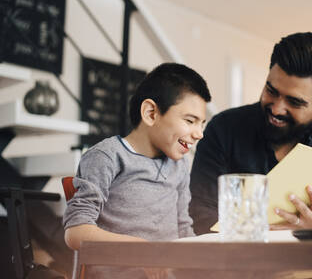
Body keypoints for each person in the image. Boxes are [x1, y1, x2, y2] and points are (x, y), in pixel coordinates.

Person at [190, 32, 312, 234]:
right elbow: (200, 210)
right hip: (236, 260)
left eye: (295, 102)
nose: (277, 109)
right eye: (271, 91)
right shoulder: (224, 127)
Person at [63, 63, 211, 251]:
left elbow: (183, 230)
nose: (199, 134)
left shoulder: (180, 165)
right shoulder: (107, 157)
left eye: (202, 124)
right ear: (150, 113)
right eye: (190, 121)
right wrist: (140, 249)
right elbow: (76, 233)